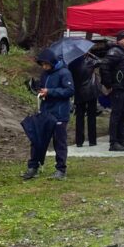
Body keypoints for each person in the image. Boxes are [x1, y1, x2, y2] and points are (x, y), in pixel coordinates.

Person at [23, 49, 73, 180]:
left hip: (60, 113)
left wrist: (50, 92)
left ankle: (61, 169)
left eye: (46, 64)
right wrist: (35, 88)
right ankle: (33, 166)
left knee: (59, 142)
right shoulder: (45, 74)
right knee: (38, 140)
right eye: (42, 64)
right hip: (46, 111)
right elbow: (43, 88)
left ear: (52, 62)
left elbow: (69, 91)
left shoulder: (64, 73)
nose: (44, 67)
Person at [101, 31, 124, 153]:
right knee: (116, 115)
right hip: (117, 88)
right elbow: (104, 67)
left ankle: (121, 138)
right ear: (119, 41)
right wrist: (108, 84)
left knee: (122, 115)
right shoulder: (114, 52)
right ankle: (113, 142)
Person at [68, 52, 100, 147]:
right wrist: (92, 54)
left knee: (79, 117)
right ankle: (92, 140)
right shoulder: (90, 61)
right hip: (91, 91)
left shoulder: (72, 63)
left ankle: (79, 141)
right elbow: (101, 61)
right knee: (91, 116)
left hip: (79, 91)